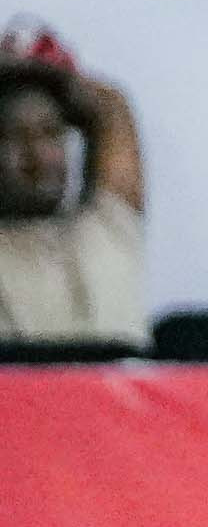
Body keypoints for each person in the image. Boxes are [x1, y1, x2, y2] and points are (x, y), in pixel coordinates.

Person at [0, 30, 145, 345]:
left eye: (51, 133)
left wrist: (39, 66)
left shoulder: (108, 231)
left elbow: (112, 107)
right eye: (14, 137)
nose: (37, 155)